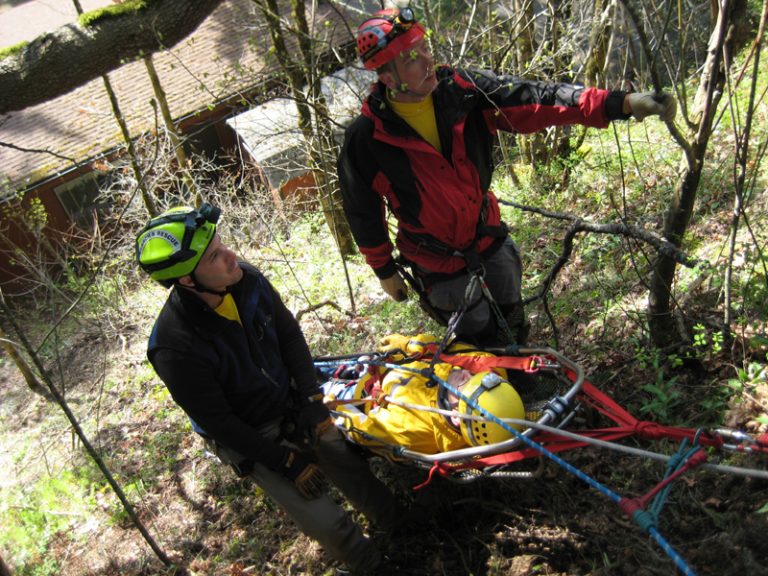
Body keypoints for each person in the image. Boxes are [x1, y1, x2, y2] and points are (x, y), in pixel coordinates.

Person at [338, 6, 677, 347]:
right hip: (436, 260)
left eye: (425, 47)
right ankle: (497, 385)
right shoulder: (366, 139)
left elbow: (535, 99)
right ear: (388, 79)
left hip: (487, 234)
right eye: (412, 58)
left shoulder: (463, 92)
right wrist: (384, 270)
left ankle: (523, 374)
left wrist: (621, 104)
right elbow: (362, 211)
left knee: (512, 317)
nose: (427, 61)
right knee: (478, 336)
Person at [135, 203, 401, 575]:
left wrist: (311, 399)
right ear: (186, 281)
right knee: (326, 519)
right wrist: (285, 462)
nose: (231, 256)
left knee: (350, 469)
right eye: (215, 256)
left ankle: (400, 527)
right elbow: (220, 423)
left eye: (221, 243)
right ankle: (372, 566)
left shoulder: (248, 281)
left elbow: (289, 334)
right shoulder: (175, 347)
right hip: (251, 434)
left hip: (291, 399)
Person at [321, 333, 526, 456]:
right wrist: (411, 344)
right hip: (379, 365)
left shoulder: (414, 432)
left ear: (456, 416)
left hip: (353, 392)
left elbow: (361, 428)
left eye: (465, 381)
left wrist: (333, 405)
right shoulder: (488, 376)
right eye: (473, 375)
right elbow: (454, 349)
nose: (466, 372)